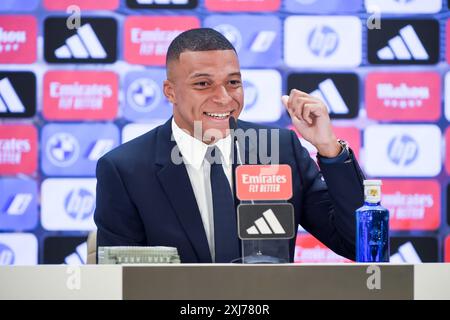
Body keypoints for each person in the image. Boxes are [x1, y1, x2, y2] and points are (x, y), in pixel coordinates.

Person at [94, 28, 365, 263]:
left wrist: (329, 148)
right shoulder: (124, 169)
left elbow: (358, 245)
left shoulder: (280, 149)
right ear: (170, 91)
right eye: (203, 84)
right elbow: (121, 282)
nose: (224, 98)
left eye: (233, 83)